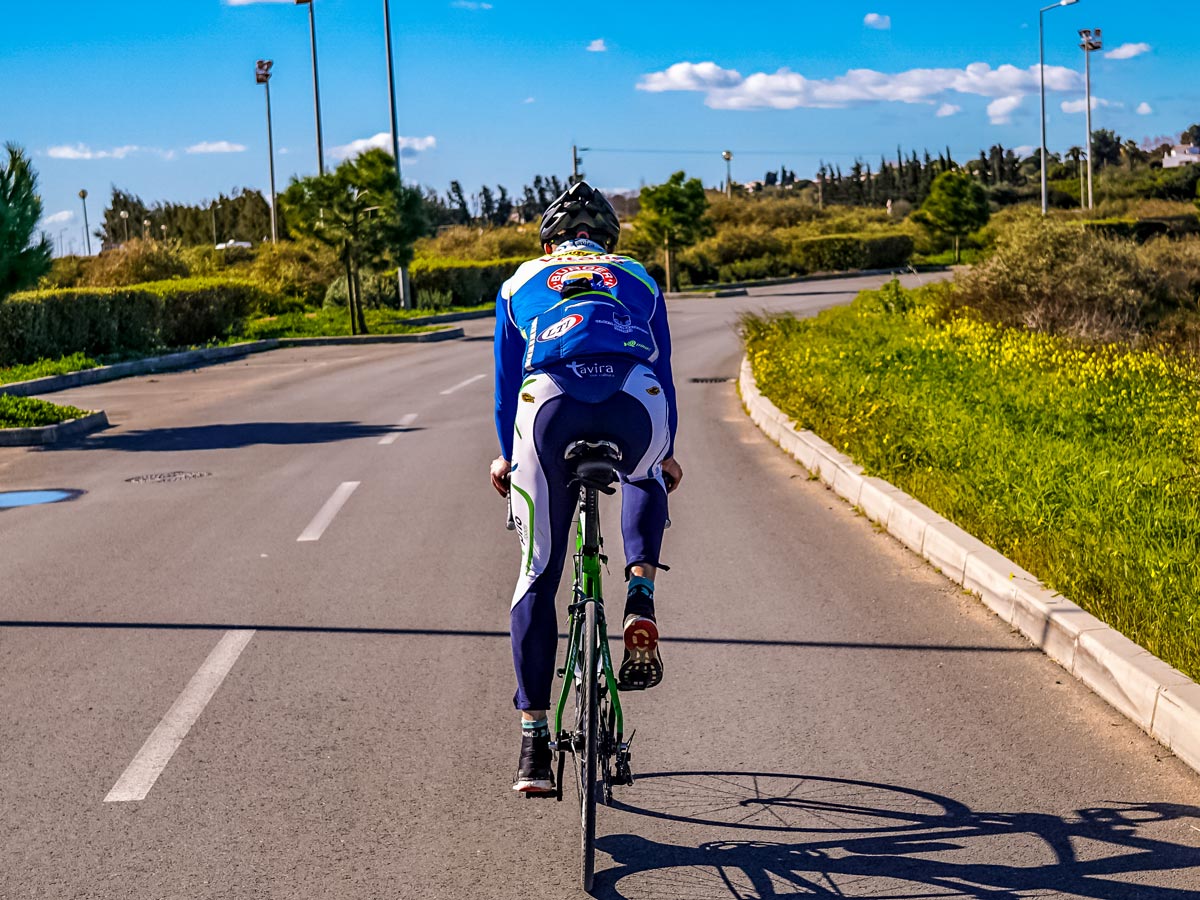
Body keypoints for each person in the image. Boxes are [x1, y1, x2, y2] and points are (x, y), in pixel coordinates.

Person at [489, 181, 682, 794]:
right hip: (635, 400)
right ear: (607, 242)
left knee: (539, 570)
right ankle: (640, 594)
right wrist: (667, 454)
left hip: (549, 407)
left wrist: (505, 457)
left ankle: (534, 744)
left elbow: (503, 386)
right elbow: (666, 372)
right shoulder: (640, 277)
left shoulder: (521, 281)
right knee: (646, 471)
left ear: (549, 242)